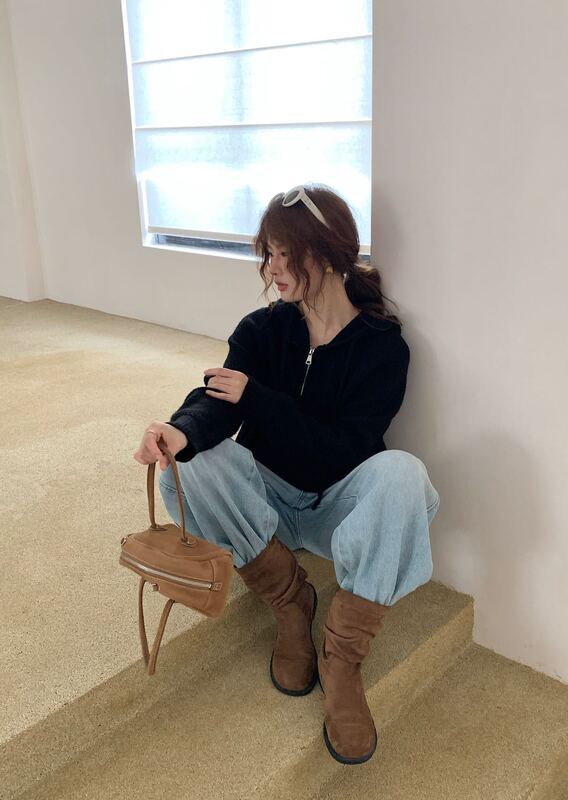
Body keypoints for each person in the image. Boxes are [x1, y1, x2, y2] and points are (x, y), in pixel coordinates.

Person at [132, 183, 441, 766]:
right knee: (191, 464)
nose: (271, 267)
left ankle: (342, 658)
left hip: (333, 507)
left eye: (283, 254)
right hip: (265, 502)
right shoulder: (262, 329)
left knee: (403, 475)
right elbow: (218, 399)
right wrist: (180, 431)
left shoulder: (382, 348)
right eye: (268, 253)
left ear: (326, 254)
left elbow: (340, 452)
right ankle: (290, 602)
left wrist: (259, 399)